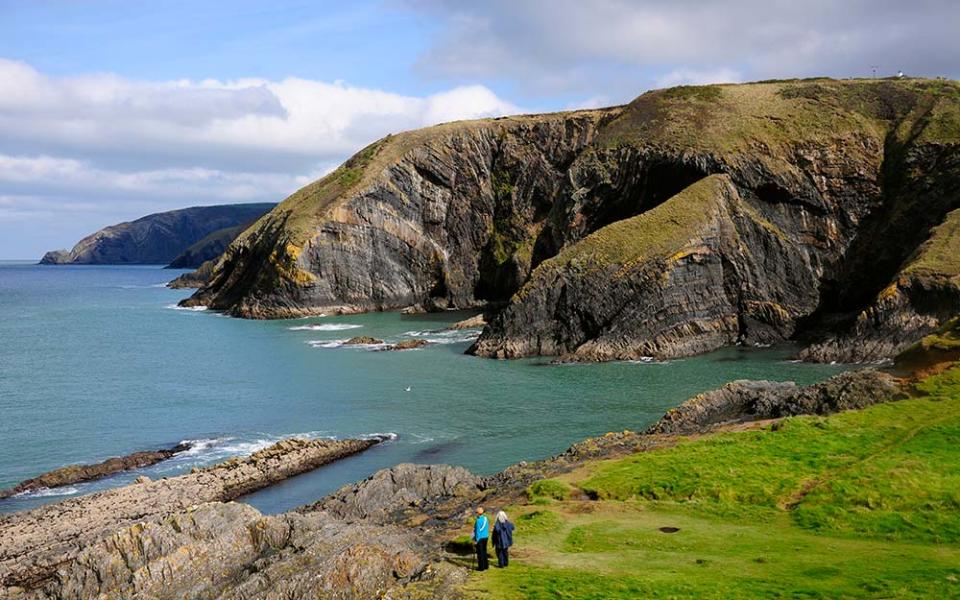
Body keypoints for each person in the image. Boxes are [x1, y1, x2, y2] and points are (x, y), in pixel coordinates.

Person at [472, 506, 490, 571]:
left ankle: (481, 567)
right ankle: (486, 565)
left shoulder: (478, 521)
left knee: (480, 553)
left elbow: (477, 532)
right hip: (486, 537)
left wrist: (476, 540)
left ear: (478, 513)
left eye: (476, 512)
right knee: (484, 551)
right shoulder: (486, 518)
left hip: (480, 538)